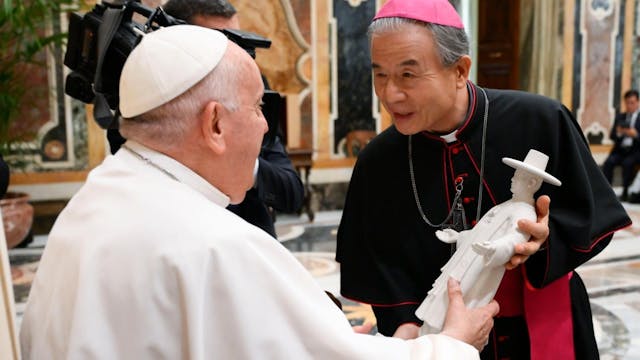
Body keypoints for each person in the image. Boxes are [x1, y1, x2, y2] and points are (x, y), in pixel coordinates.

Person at [20, 25, 500, 358]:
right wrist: (451, 345)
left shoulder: (99, 195)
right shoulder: (215, 245)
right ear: (214, 124)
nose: (266, 125)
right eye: (256, 108)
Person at [335, 0, 631, 359]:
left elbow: (592, 219)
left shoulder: (540, 120)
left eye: (407, 75)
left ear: (460, 71)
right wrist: (409, 326)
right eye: (380, 74)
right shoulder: (376, 163)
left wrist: (544, 241)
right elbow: (379, 271)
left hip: (537, 333)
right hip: (440, 341)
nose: (389, 94)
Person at [110, 0, 305, 238]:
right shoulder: (143, 97)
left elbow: (291, 191)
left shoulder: (252, 87)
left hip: (249, 238)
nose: (233, 56)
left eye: (237, 41)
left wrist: (241, 156)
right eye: (220, 43)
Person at [415, 150, 561, 335]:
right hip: (467, 262)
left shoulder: (525, 212)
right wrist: (459, 237)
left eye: (517, 177)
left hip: (479, 268)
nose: (512, 180)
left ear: (532, 183)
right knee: (440, 307)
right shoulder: (507, 205)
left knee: (455, 308)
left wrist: (496, 248)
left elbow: (516, 238)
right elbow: (481, 233)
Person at [601, 89, 640, 201]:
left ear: (638, 102)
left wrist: (635, 135)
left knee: (628, 163)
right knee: (608, 162)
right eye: (627, 102)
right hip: (620, 150)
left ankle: (625, 192)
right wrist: (619, 132)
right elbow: (612, 135)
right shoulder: (620, 117)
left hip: (635, 151)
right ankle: (607, 192)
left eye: (632, 103)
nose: (629, 105)